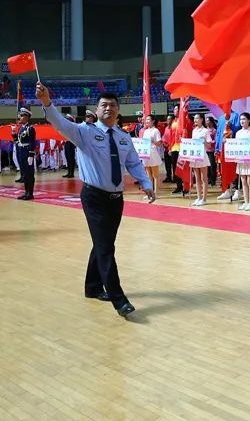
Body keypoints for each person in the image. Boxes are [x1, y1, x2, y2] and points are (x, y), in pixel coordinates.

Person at [36, 82, 155, 319]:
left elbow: (133, 163)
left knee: (104, 243)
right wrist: (46, 102)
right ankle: (119, 299)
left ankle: (92, 287)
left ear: (118, 110)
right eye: (104, 105)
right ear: (97, 110)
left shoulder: (123, 138)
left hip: (116, 199)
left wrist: (146, 183)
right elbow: (60, 123)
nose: (108, 108)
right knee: (105, 247)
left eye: (112, 105)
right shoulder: (84, 132)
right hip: (94, 197)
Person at [234, 112, 250, 211]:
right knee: (243, 182)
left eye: (244, 119)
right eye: (241, 119)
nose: (242, 121)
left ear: (249, 120)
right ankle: (245, 202)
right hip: (241, 159)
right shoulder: (238, 133)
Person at [13, 109, 37, 200]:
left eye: (22, 116)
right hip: (21, 152)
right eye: (20, 115)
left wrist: (31, 155)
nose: (20, 117)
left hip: (27, 152)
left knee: (29, 173)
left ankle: (30, 193)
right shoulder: (21, 128)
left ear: (27, 117)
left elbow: (32, 142)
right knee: (24, 174)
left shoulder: (30, 128)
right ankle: (26, 192)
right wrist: (14, 134)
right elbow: (18, 141)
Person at [188, 114, 212, 206]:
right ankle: (199, 197)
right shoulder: (194, 130)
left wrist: (204, 141)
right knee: (197, 178)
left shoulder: (205, 131)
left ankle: (204, 199)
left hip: (202, 156)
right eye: (194, 118)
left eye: (197, 118)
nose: (195, 120)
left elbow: (209, 145)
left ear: (202, 119)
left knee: (204, 178)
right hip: (195, 156)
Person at [139, 114, 164, 198]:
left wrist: (152, 141)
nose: (146, 121)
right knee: (148, 176)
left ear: (153, 121)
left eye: (148, 119)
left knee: (155, 175)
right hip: (146, 154)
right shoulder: (146, 131)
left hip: (153, 153)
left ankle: (156, 193)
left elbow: (159, 143)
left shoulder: (156, 131)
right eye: (146, 120)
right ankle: (150, 193)